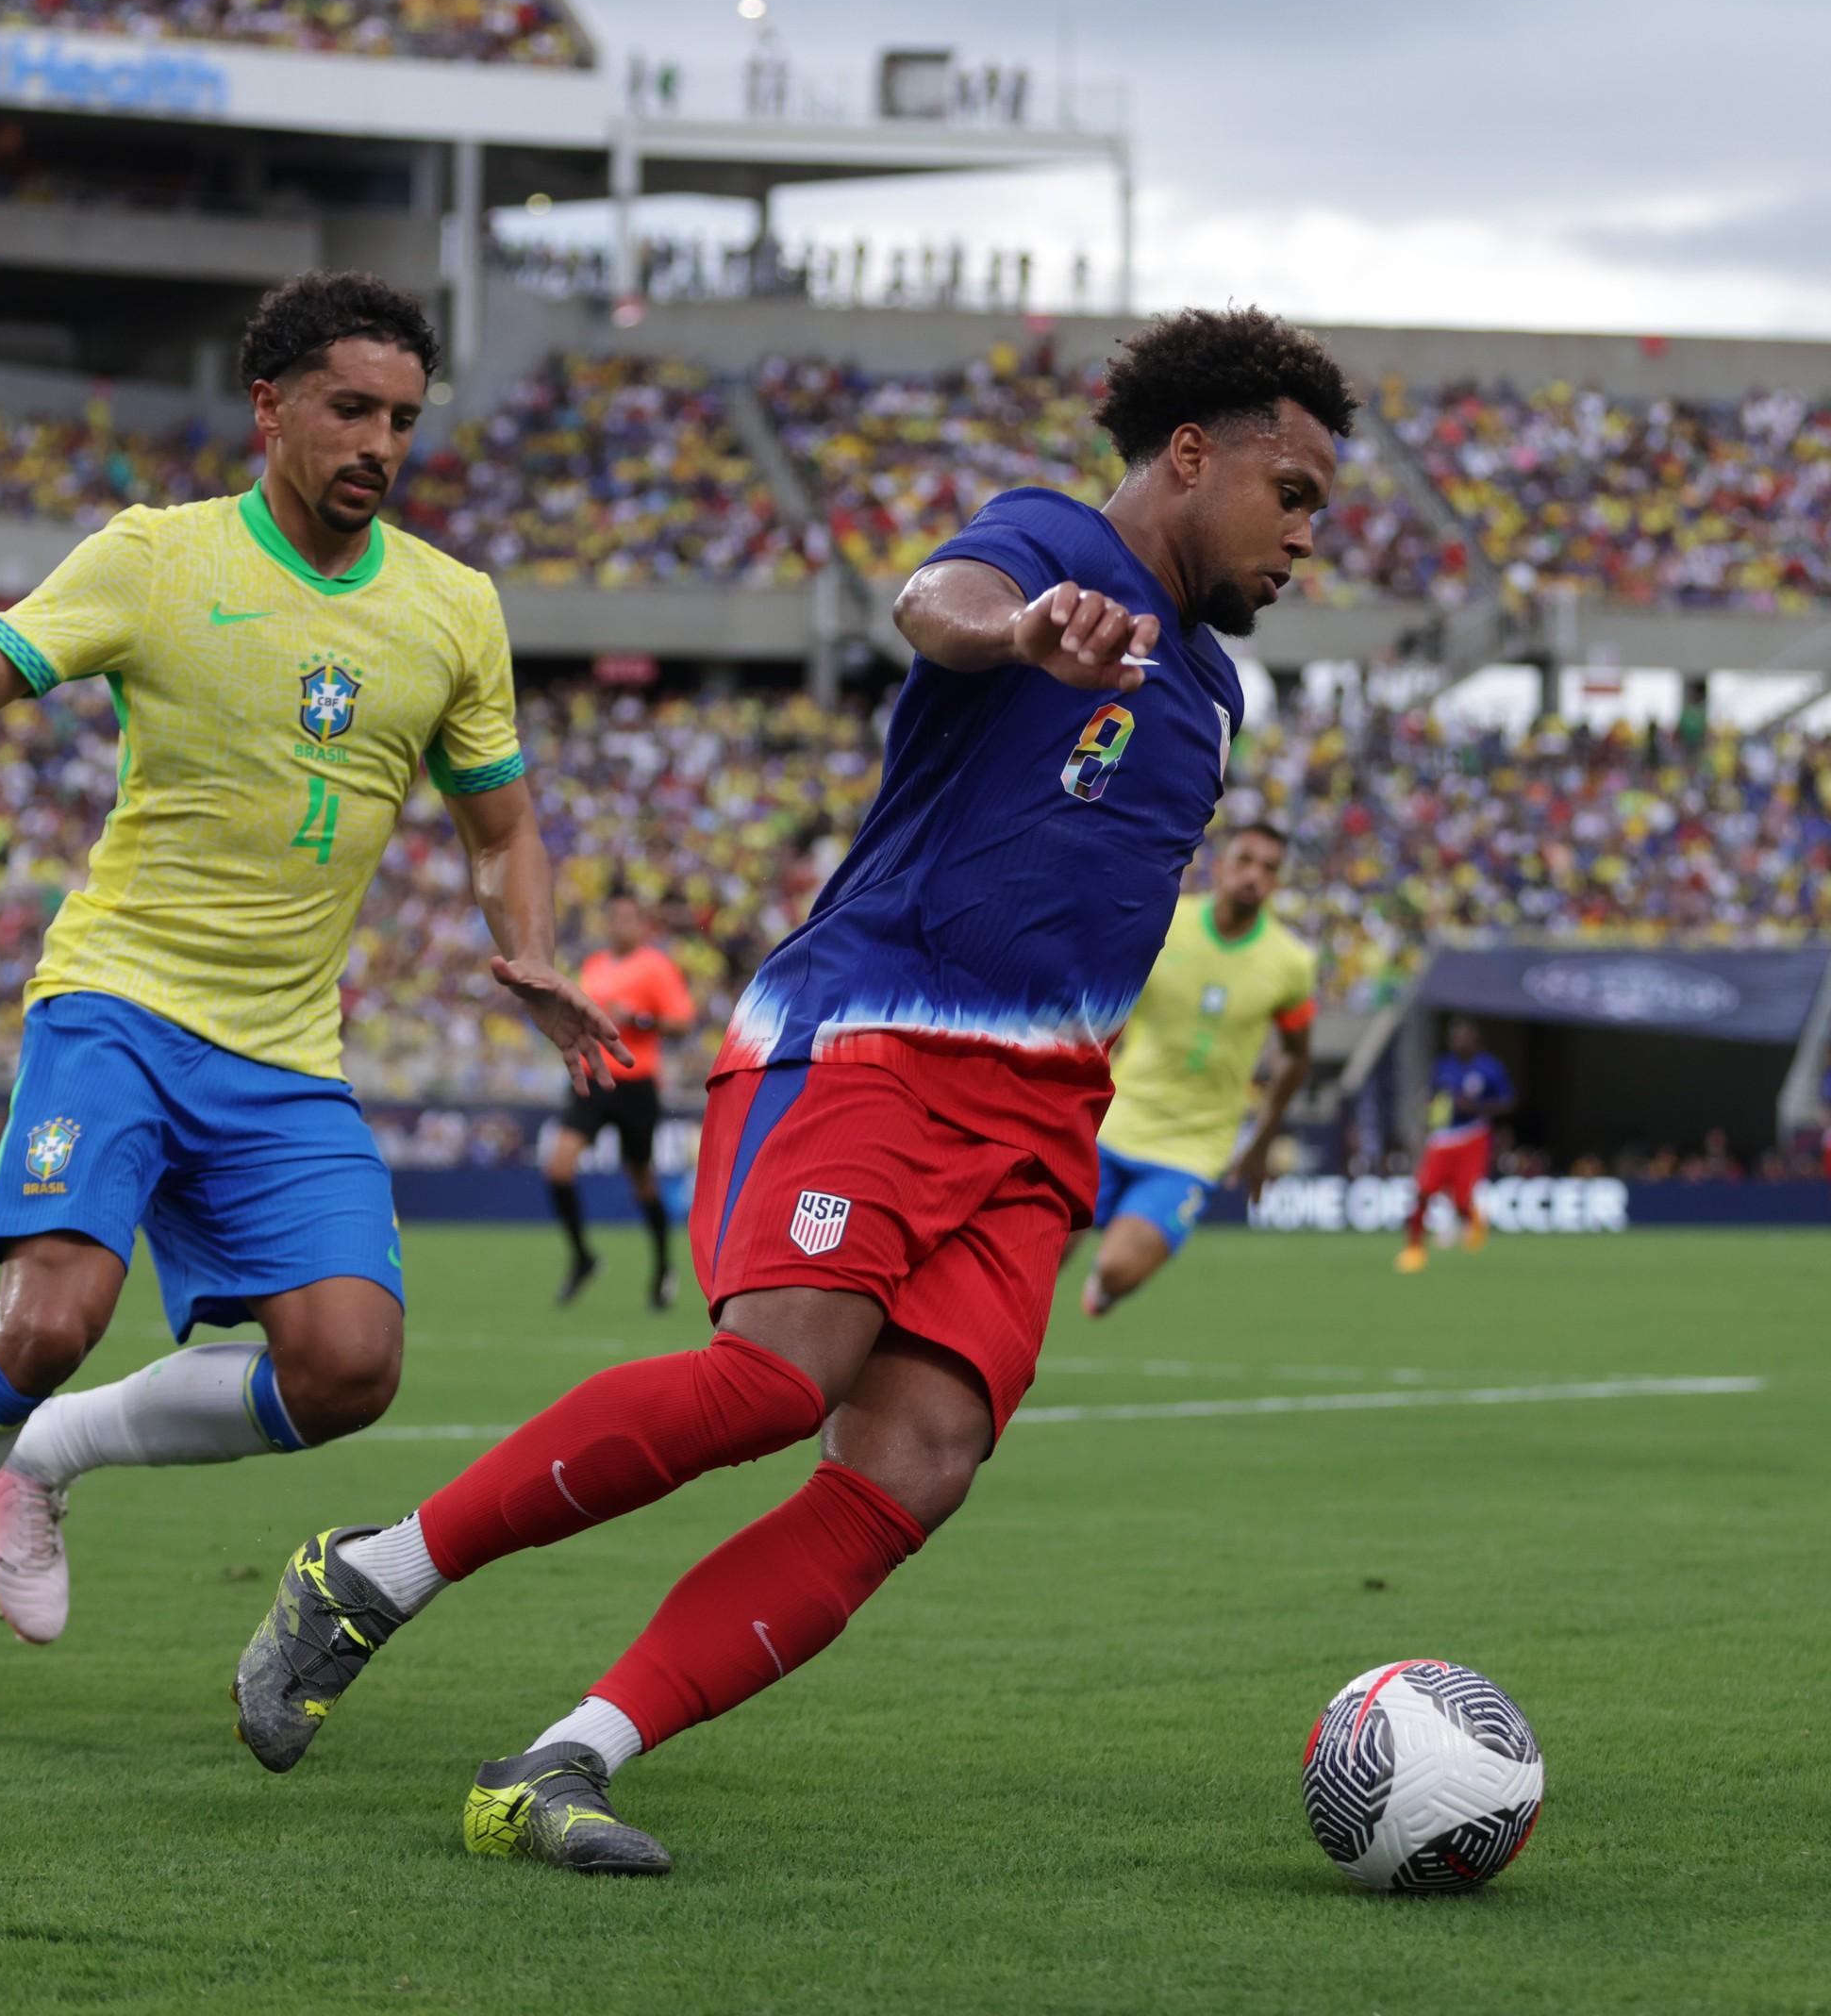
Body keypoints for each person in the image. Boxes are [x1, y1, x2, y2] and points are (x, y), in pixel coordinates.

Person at [228, 305, 1356, 1874]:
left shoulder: (1213, 694)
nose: (1307, 534)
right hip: (873, 1044)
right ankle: (374, 1575)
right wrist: (1020, 632)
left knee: (919, 1461)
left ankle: (564, 1761)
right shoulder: (1045, 547)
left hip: (1042, 1122)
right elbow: (937, 600)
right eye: (1290, 492)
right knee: (776, 1377)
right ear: (1189, 454)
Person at [0, 272, 624, 1748]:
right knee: (50, 1317)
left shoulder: (451, 609)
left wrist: (537, 952)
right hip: (118, 999)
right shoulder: (155, 560)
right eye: (350, 409)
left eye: (404, 420)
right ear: (273, 408)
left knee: (351, 1366)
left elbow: (499, 829)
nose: (378, 442)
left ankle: (42, 1461)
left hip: (287, 1048)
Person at [1076, 823, 1316, 1317]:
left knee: (1119, 1269)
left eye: (1269, 869)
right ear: (1221, 864)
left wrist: (1261, 1142)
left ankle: (1108, 1283)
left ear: (1278, 882)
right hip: (1111, 1121)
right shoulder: (1166, 920)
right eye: (1245, 860)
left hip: (1194, 1148)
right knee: (1038, 1255)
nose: (1254, 875)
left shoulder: (1290, 963)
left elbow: (1297, 1054)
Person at [544, 887, 696, 1310]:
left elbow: (682, 1024)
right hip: (594, 1081)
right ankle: (582, 1257)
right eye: (615, 917)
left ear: (642, 924)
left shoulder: (656, 967)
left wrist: (640, 1019)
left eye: (629, 918)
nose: (620, 925)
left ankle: (664, 1268)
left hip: (635, 1083)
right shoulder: (594, 965)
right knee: (558, 1168)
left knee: (642, 1181)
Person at [1398, 1017, 1515, 1272]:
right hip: (1443, 1138)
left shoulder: (1489, 1068)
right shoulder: (1443, 1066)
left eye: (1463, 1037)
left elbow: (1507, 1102)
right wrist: (1427, 1115)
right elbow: (1433, 1098)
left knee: (1463, 1196)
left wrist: (1477, 1107)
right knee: (1423, 1191)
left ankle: (1472, 1221)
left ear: (1474, 1040)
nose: (1458, 1042)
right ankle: (1414, 1248)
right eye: (1455, 1037)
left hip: (1473, 1134)